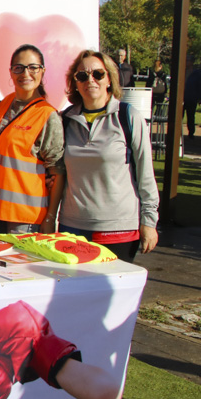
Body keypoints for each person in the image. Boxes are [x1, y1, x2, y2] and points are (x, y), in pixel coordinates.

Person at [59, 49, 159, 263]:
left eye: (98, 74)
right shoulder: (64, 120)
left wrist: (149, 222)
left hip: (118, 228)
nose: (90, 80)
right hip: (73, 227)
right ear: (75, 82)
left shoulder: (128, 117)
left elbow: (145, 174)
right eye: (82, 76)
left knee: (113, 294)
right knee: (76, 294)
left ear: (109, 79)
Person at [0, 44, 64, 234]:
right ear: (11, 72)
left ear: (42, 71)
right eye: (18, 68)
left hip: (25, 218)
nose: (25, 73)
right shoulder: (4, 104)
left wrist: (50, 218)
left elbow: (57, 172)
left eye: (33, 67)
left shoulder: (47, 115)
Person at [183, 56, 201, 142]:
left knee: (191, 116)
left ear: (191, 62)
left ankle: (191, 133)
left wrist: (200, 97)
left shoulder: (196, 73)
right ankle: (178, 132)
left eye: (187, 60)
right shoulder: (182, 71)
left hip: (191, 98)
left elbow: (200, 85)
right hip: (182, 97)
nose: (186, 62)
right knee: (179, 115)